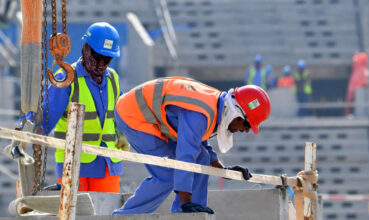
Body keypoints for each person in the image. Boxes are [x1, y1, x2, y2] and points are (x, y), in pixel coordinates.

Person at [112, 77, 271, 215]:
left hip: (148, 115)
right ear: (236, 113)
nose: (245, 130)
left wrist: (223, 170)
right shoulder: (201, 114)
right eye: (247, 124)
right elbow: (186, 154)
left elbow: (199, 143)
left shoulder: (214, 105)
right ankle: (124, 216)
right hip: (133, 116)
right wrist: (185, 200)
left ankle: (190, 214)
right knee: (167, 176)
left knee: (203, 158)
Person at [42, 22, 128, 193]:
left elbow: (120, 113)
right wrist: (26, 135)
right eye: (97, 56)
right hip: (73, 164)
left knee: (107, 213)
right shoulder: (67, 78)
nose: (102, 63)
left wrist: (123, 134)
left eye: (107, 59)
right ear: (86, 49)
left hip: (108, 164)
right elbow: (46, 116)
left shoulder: (113, 79)